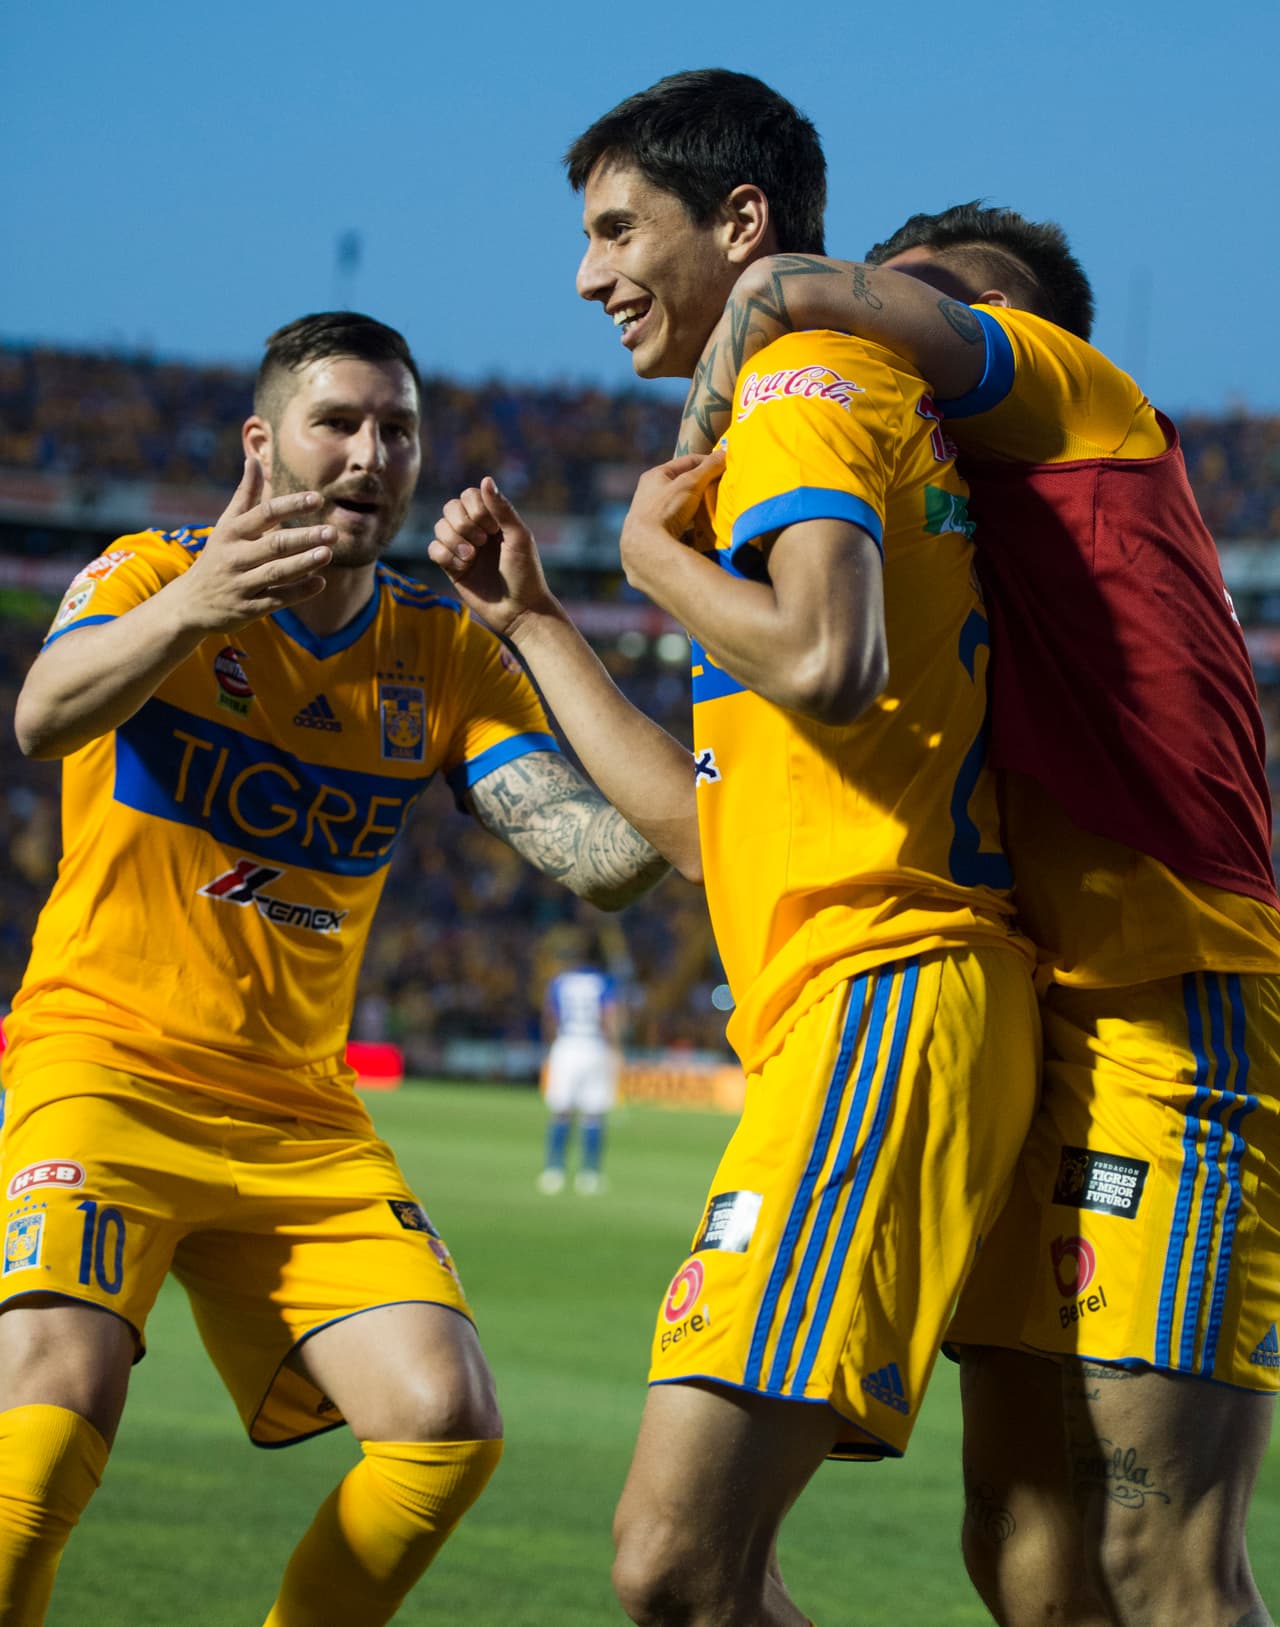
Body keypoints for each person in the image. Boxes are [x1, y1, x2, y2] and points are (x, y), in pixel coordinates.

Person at [429, 69, 1041, 1627]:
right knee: (714, 1570)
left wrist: (640, 553)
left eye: (621, 227)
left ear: (745, 222)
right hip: (842, 1008)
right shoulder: (774, 434)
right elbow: (706, 840)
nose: (589, 274)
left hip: (884, 991)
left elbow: (827, 652)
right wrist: (542, 624)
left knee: (672, 1561)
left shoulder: (799, 385)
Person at [0, 311, 670, 1627]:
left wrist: (537, 624)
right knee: (53, 1392)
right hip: (106, 1067)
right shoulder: (150, 570)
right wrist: (202, 602)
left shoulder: (440, 652)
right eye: (341, 422)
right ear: (264, 443)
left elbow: (603, 859)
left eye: (399, 430)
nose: (373, 452)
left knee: (445, 1417)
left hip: (300, 1114)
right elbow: (42, 713)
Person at [677, 206, 1280, 1627]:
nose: (885, 322)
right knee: (1026, 1547)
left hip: (1172, 988)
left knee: (1161, 1559)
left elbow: (776, 284)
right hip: (1041, 1000)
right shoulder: (949, 520)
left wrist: (684, 486)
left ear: (1017, 324)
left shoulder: (1086, 402)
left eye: (924, 298)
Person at [537, 936, 625, 1196]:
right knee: (593, 1114)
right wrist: (617, 1048)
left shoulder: (559, 982)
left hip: (566, 1045)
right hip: (594, 1046)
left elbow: (549, 1018)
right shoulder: (604, 982)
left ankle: (554, 1170)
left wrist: (553, 1045)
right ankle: (590, 1173)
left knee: (560, 1111)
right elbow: (609, 1016)